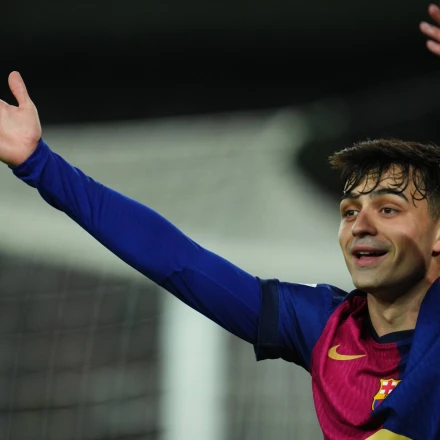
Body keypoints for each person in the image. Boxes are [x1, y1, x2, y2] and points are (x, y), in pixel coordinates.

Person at [1, 6, 440, 440]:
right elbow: (177, 260)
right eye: (349, 211)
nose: (361, 224)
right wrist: (40, 165)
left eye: (388, 209)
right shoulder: (325, 328)